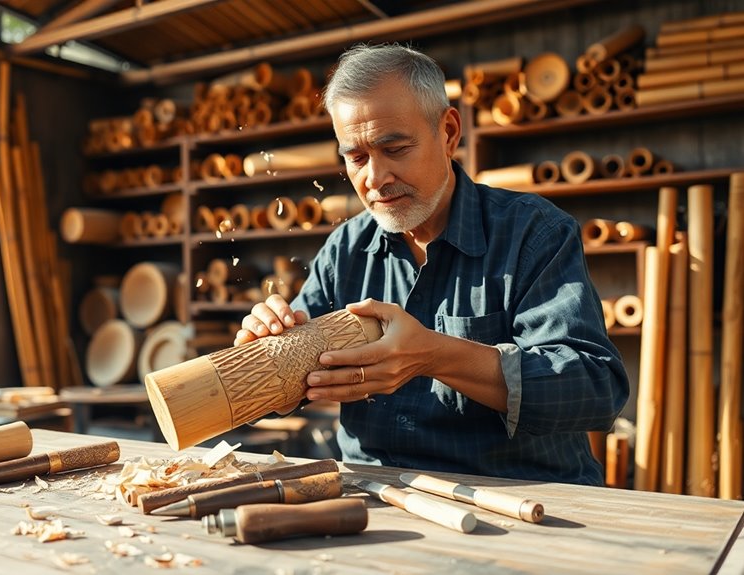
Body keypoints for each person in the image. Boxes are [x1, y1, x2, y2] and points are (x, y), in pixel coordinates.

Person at [234, 44, 629, 485]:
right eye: (356, 158)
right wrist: (269, 352)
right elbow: (292, 389)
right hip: (378, 498)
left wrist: (436, 356)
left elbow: (596, 390)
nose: (375, 178)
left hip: (521, 500)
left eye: (395, 148)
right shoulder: (345, 248)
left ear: (449, 131)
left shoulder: (534, 233)